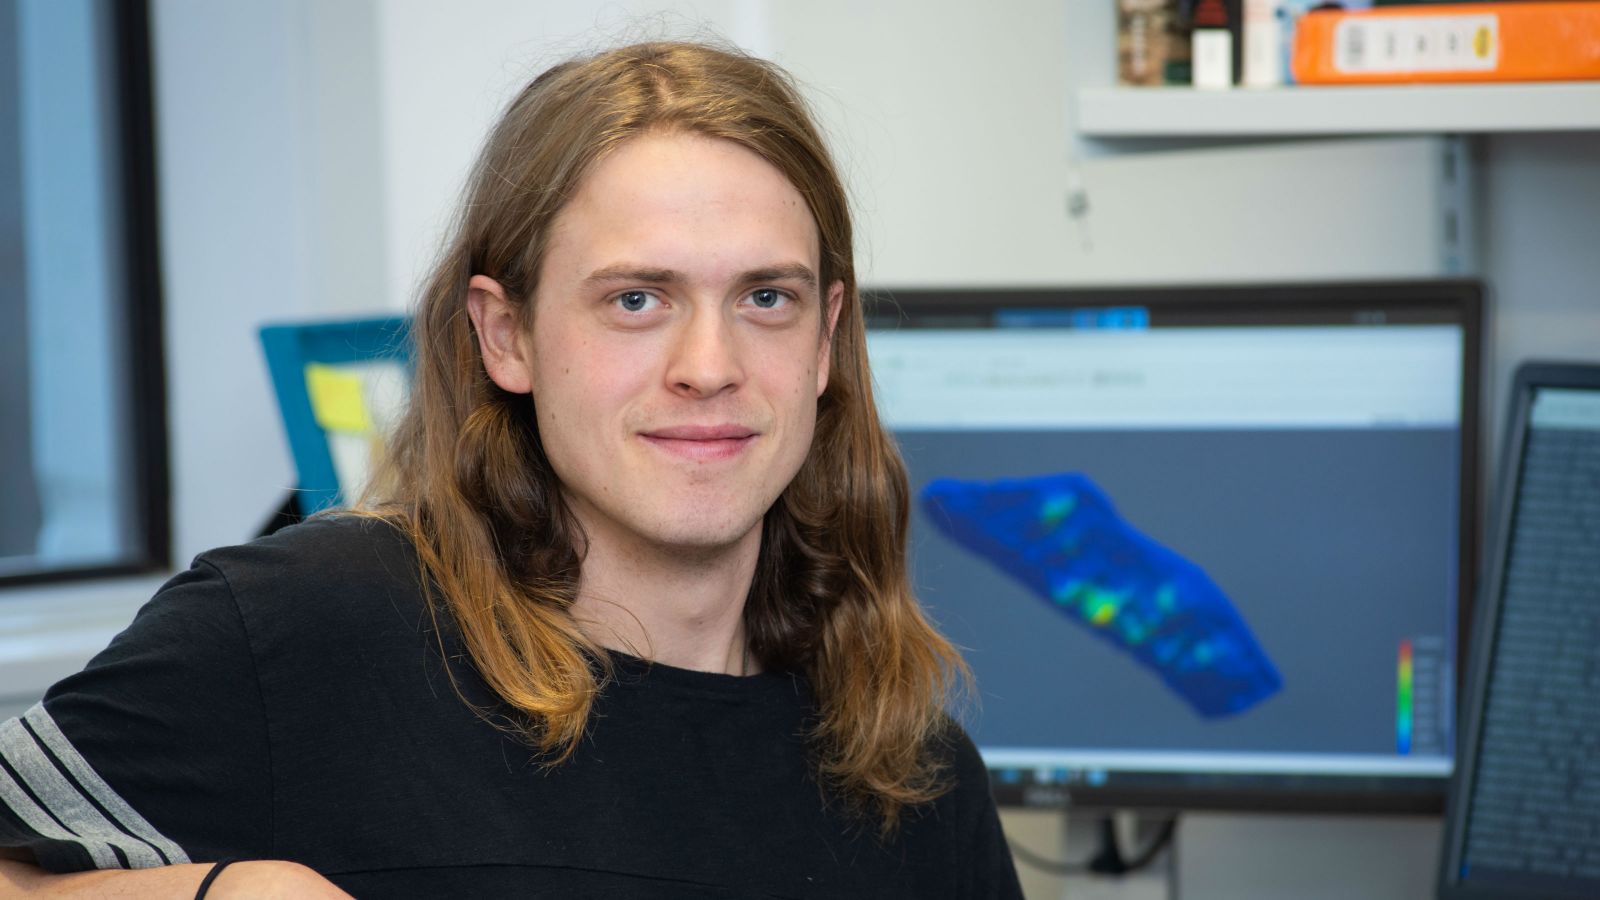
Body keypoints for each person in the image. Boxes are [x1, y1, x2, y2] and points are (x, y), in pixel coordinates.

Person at [0, 41, 1024, 898]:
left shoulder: (914, 778)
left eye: (766, 298)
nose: (709, 368)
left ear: (824, 341)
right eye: (636, 299)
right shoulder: (309, 630)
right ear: (507, 336)